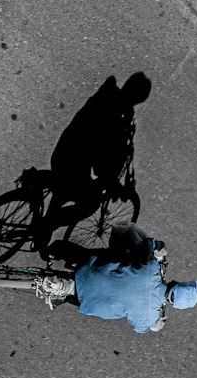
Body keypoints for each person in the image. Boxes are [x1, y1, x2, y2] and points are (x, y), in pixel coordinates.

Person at [35, 72, 152, 257]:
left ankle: (41, 234)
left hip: (67, 154)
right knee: (89, 203)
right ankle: (45, 226)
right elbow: (102, 147)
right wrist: (109, 180)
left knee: (61, 195)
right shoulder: (114, 109)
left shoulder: (113, 99)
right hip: (74, 160)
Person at [43, 223, 197, 333]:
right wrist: (156, 324)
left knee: (110, 255)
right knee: (100, 301)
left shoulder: (152, 269)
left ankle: (52, 249)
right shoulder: (148, 318)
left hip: (88, 267)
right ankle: (63, 296)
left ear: (177, 283)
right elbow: (142, 329)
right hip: (86, 302)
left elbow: (149, 244)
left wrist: (160, 248)